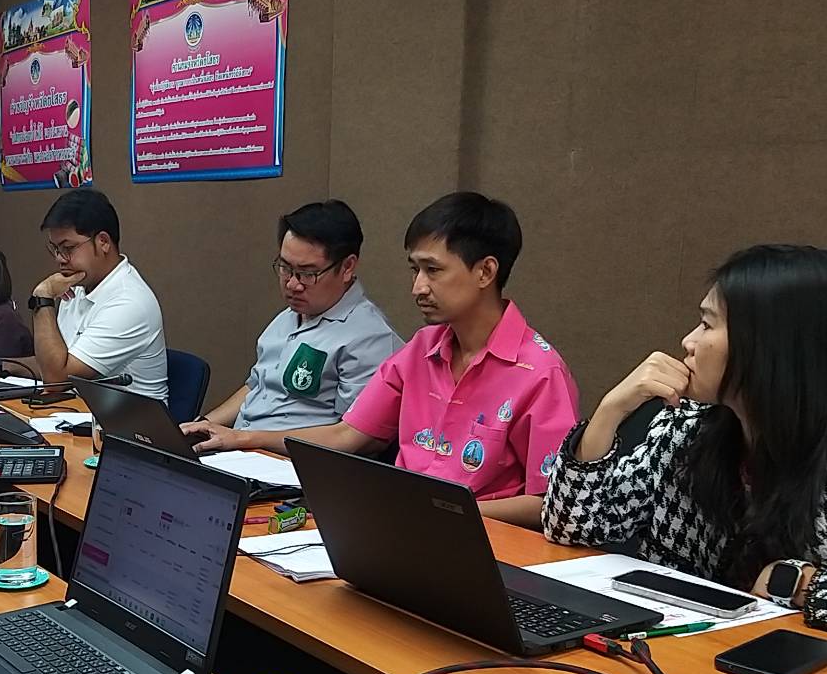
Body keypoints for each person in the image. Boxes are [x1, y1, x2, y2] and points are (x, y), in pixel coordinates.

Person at [205, 192, 577, 530]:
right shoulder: (421, 349)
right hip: (399, 528)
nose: (417, 287)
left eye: (433, 270)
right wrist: (241, 438)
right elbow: (347, 434)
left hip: (479, 541)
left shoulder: (540, 373)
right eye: (414, 270)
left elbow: (550, 503)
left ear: (485, 272)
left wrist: (443, 510)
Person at [543, 245, 827, 633]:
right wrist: (610, 411)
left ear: (769, 344)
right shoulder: (689, 425)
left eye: (707, 325)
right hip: (681, 652)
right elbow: (571, 527)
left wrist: (796, 583)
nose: (688, 341)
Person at [181, 200, 403, 446]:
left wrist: (244, 439)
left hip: (293, 466)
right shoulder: (288, 317)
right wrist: (203, 425)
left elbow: (353, 438)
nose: (292, 284)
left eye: (308, 273)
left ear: (347, 267)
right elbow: (256, 386)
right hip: (245, 449)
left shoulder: (369, 338)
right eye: (285, 268)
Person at [20, 188, 168, 401]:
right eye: (55, 248)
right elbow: (53, 362)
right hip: (79, 415)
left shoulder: (128, 303)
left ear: (103, 242)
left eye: (68, 248)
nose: (60, 259)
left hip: (130, 429)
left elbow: (56, 381)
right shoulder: (78, 284)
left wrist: (43, 298)